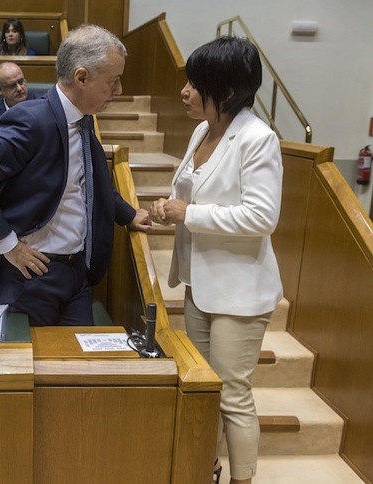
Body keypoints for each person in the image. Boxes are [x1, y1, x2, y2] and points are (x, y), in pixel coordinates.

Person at [149, 36, 283, 484]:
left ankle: (243, 480)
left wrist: (189, 213)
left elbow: (262, 216)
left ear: (224, 91)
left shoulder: (258, 139)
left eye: (194, 83)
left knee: (232, 396)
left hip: (239, 291)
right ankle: (204, 470)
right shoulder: (203, 130)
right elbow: (192, 192)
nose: (184, 92)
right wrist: (167, 206)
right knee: (204, 393)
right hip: (198, 284)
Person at [0, 25, 151, 326]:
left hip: (76, 274)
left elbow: (90, 181)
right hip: (32, 276)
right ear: (81, 77)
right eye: (113, 81)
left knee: (80, 370)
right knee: (35, 371)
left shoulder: (84, 123)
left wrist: (128, 214)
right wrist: (8, 245)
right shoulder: (32, 120)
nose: (119, 91)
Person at [0, 62, 35, 141]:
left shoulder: (41, 104)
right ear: (0, 90)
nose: (19, 88)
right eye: (12, 85)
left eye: (21, 82)